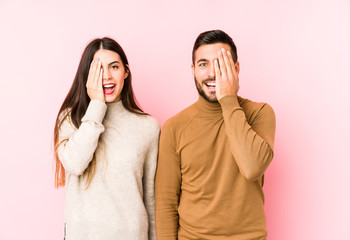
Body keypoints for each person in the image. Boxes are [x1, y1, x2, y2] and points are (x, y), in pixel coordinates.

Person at [155, 30, 276, 239]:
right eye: (203, 64)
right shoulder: (175, 127)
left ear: (236, 69)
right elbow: (166, 201)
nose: (212, 73)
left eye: (221, 63)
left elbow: (252, 167)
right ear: (193, 70)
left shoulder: (260, 113)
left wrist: (228, 100)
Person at [53, 37, 159, 240]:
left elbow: (150, 197)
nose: (107, 76)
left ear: (126, 72)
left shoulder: (148, 127)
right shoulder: (70, 119)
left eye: (114, 67)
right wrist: (96, 105)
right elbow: (75, 164)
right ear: (87, 75)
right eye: (98, 69)